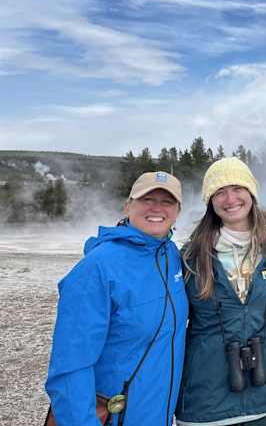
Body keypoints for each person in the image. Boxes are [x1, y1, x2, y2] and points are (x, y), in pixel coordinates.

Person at [45, 172, 188, 426]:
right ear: (127, 206)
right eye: (148, 199)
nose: (157, 208)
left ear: (177, 212)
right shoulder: (98, 267)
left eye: (167, 202)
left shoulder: (172, 256)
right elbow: (69, 366)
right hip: (116, 418)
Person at [176, 158, 266, 426]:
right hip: (206, 404)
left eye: (238, 188)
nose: (230, 199)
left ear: (251, 192)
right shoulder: (190, 255)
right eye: (219, 192)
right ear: (210, 200)